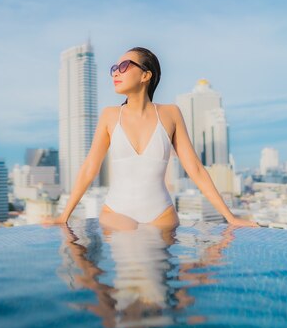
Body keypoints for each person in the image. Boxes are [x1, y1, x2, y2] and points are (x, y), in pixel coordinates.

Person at [44, 46, 258, 229]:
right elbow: (90, 168)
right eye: (114, 69)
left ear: (146, 75)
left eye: (124, 67)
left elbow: (196, 169)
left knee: (159, 276)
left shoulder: (171, 113)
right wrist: (64, 216)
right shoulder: (110, 115)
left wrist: (230, 218)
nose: (115, 73)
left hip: (162, 216)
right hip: (116, 214)